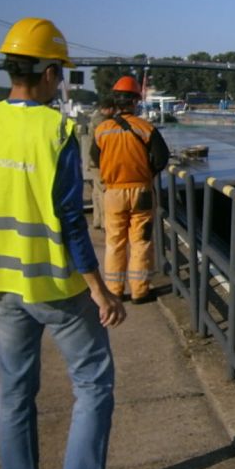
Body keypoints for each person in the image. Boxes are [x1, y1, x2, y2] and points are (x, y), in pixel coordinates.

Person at [0, 17, 129, 469]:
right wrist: (99, 289)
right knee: (93, 387)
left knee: (14, 395)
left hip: (1, 283)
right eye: (61, 74)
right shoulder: (55, 130)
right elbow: (70, 219)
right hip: (55, 285)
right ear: (50, 73)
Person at [91, 75, 169, 304]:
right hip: (141, 191)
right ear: (135, 101)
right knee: (141, 241)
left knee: (114, 242)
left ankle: (115, 290)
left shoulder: (102, 129)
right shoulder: (145, 127)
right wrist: (147, 173)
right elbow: (162, 158)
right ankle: (140, 291)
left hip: (113, 192)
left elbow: (95, 158)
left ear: (115, 101)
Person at [83, 99, 115, 229]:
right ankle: (105, 222)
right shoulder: (104, 122)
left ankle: (97, 219)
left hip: (91, 160)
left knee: (96, 191)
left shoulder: (94, 119)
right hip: (99, 161)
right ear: (109, 109)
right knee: (103, 191)